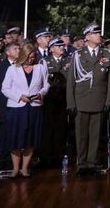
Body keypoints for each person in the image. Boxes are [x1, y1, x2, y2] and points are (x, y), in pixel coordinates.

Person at [66, 23, 110, 175]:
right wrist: (71, 103)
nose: (98, 35)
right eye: (95, 33)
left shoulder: (107, 53)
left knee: (95, 135)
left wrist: (109, 101)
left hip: (99, 99)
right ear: (87, 37)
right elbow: (71, 81)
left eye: (99, 33)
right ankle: (81, 164)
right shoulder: (78, 55)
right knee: (81, 135)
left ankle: (92, 163)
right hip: (81, 100)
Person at [0, 42, 50, 177]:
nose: (31, 60)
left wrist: (40, 94)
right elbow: (5, 88)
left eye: (33, 57)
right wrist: (19, 97)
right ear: (23, 55)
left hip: (34, 107)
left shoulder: (40, 68)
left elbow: (46, 85)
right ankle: (15, 168)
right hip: (17, 108)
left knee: (30, 139)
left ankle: (25, 168)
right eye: (28, 57)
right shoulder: (12, 69)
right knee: (15, 139)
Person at [41, 38, 69, 166]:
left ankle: (58, 156)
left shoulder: (68, 60)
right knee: (48, 128)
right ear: (51, 49)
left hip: (64, 97)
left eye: (62, 46)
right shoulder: (45, 61)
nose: (62, 48)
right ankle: (46, 156)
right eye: (58, 46)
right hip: (49, 98)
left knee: (60, 128)